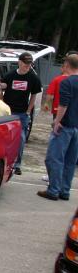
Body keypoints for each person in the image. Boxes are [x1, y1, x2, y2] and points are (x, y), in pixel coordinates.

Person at [38, 54, 78, 200]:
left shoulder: (66, 82)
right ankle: (64, 190)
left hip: (65, 125)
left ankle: (53, 190)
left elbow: (63, 105)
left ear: (67, 65)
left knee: (54, 158)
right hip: (76, 127)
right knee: (70, 161)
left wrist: (57, 122)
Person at [0, 52, 42, 175]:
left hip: (22, 113)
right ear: (19, 62)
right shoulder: (10, 75)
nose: (27, 66)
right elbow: (1, 88)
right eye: (25, 64)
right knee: (5, 137)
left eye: (29, 64)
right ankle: (5, 162)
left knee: (21, 138)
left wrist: (28, 111)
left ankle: (17, 164)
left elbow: (34, 95)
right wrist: (2, 104)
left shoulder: (33, 78)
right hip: (8, 112)